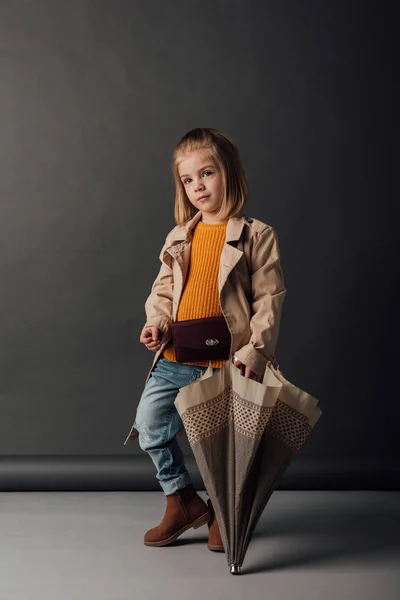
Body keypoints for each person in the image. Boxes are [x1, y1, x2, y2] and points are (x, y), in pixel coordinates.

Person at [125, 127, 286, 551]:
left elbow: (269, 300)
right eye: (188, 179)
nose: (198, 186)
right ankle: (181, 500)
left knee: (217, 444)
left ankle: (220, 511)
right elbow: (162, 291)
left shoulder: (256, 235)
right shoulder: (180, 235)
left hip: (224, 363)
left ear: (228, 174)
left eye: (207, 174)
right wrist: (156, 322)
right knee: (150, 424)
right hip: (176, 357)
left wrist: (255, 350)